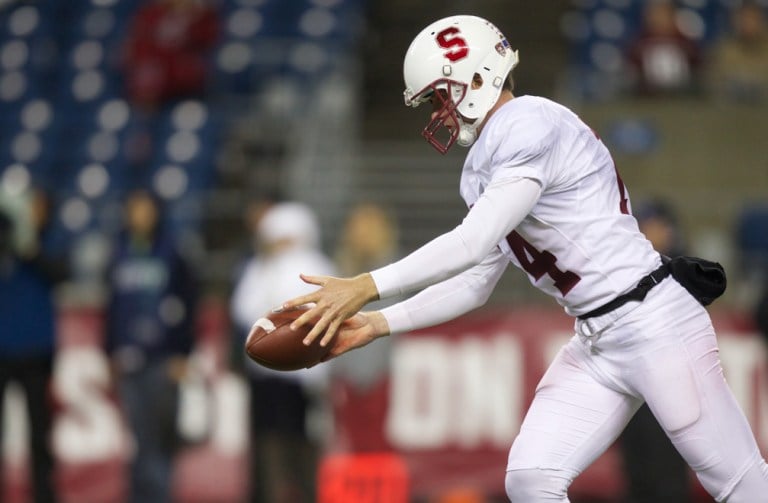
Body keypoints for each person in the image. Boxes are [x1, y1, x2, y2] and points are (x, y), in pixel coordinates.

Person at [280, 15, 768, 502]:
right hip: (597, 340)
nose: (438, 112)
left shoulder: (530, 122)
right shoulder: (480, 168)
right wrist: (379, 323)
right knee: (532, 477)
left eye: (440, 96)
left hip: (654, 322)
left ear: (476, 78)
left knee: (741, 484)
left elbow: (470, 241)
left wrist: (366, 283)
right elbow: (475, 280)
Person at [230, 201, 336, 503]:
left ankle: (305, 493)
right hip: (269, 376)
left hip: (309, 376)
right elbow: (244, 311)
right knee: (270, 443)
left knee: (306, 443)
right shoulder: (262, 268)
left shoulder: (317, 266)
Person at [104, 189, 198, 503]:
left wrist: (183, 354)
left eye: (145, 209)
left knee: (160, 440)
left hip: (163, 359)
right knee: (140, 440)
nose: (140, 216)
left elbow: (189, 304)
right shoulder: (119, 251)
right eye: (134, 209)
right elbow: (112, 305)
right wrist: (109, 351)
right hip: (129, 359)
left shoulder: (173, 251)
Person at [618, 199, 690, 503]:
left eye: (654, 225)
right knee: (637, 473)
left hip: (669, 384)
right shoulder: (623, 269)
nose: (648, 233)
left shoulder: (685, 270)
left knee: (667, 475)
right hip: (634, 383)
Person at [0, 189, 67, 503]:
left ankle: (44, 496)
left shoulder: (51, 239)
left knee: (39, 437)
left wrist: (30, 246)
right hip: (3, 350)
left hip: (36, 352)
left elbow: (61, 273)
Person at [121, 0, 220, 111]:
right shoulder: (151, 14)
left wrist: (193, 16)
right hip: (155, 81)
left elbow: (208, 42)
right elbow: (138, 47)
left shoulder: (201, 16)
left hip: (188, 88)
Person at [624, 0, 702, 97]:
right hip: (647, 98)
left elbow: (698, 70)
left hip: (682, 97)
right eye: (655, 15)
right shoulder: (639, 43)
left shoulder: (685, 42)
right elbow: (631, 72)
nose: (660, 19)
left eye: (664, 14)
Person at [706, 2, 768, 104]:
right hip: (730, 110)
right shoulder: (723, 49)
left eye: (752, 19)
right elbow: (712, 82)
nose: (747, 24)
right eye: (743, 19)